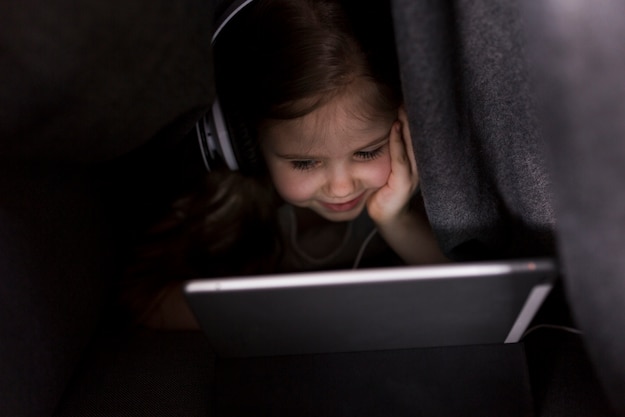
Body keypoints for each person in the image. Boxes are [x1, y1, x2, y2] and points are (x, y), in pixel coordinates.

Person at [120, 0, 448, 329]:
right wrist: (291, 315)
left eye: (366, 153)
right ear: (243, 145)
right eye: (304, 163)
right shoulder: (223, 207)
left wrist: (398, 222)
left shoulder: (440, 201)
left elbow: (474, 297)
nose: (341, 187)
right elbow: (143, 299)